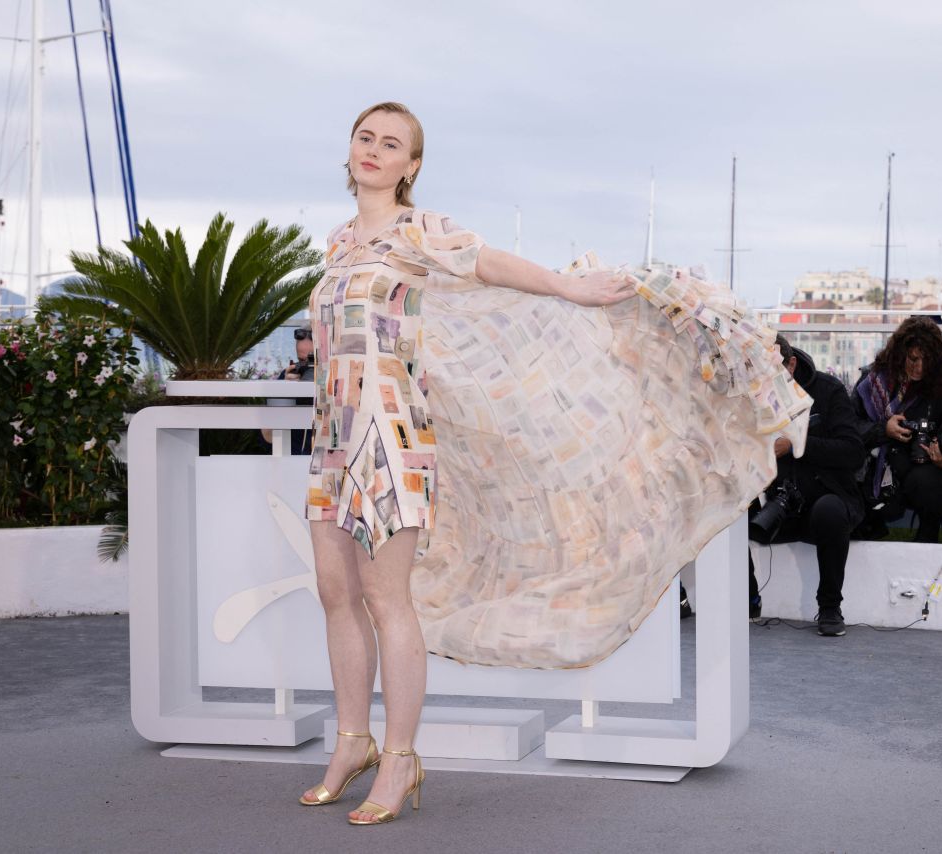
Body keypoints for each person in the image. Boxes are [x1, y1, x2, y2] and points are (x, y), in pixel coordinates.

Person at [300, 102, 809, 826]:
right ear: (348, 149)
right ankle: (353, 741)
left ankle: (402, 757)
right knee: (334, 592)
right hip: (332, 434)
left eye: (392, 145)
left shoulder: (418, 230)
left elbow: (486, 265)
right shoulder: (339, 241)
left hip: (388, 436)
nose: (375, 152)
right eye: (365, 138)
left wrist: (567, 287)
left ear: (412, 165)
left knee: (387, 600)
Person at [748, 334, 864, 636]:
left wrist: (797, 444)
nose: (766, 382)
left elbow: (853, 452)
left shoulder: (828, 391)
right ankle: (747, 599)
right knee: (727, 509)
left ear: (792, 364)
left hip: (827, 500)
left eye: (773, 373)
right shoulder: (750, 395)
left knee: (829, 510)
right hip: (776, 504)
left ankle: (829, 607)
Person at [852, 317, 942, 542]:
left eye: (927, 360)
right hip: (875, 467)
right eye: (913, 359)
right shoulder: (872, 381)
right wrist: (883, 430)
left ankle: (928, 532)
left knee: (930, 483)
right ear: (899, 354)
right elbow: (848, 428)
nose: (920, 367)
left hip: (921, 472)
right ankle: (869, 524)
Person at [259, 326, 314, 454]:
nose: (308, 367)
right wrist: (285, 392)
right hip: (291, 462)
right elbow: (267, 438)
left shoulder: (337, 379)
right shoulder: (288, 377)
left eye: (312, 361)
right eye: (302, 361)